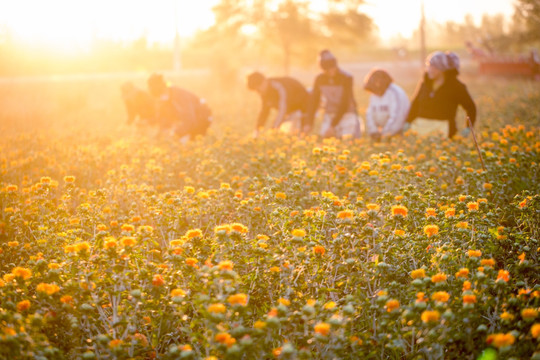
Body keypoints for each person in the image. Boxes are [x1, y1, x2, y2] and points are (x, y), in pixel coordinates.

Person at [405, 51, 476, 138]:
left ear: (442, 69)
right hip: (421, 128)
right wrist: (408, 121)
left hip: (444, 130)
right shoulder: (425, 83)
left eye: (433, 67)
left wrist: (468, 127)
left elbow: (471, 108)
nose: (429, 69)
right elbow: (415, 103)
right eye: (428, 66)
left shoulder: (457, 87)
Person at [306, 50, 361, 139]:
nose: (330, 72)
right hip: (330, 114)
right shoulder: (319, 79)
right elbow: (314, 101)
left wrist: (332, 126)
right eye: (326, 70)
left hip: (347, 114)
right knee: (326, 140)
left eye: (332, 67)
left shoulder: (346, 78)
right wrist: (309, 123)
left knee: (347, 140)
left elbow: (345, 103)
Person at [147, 73, 212, 141]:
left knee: (191, 143)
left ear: (162, 87)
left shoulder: (179, 96)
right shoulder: (163, 99)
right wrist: (160, 134)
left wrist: (175, 134)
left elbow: (190, 121)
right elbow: (164, 119)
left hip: (202, 119)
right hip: (191, 120)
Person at [246, 71, 310, 137]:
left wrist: (274, 129)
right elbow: (264, 112)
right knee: (284, 134)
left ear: (263, 81)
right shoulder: (264, 93)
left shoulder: (278, 86)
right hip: (290, 113)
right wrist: (257, 130)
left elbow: (283, 109)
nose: (258, 92)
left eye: (258, 89)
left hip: (302, 109)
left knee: (295, 136)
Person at [363, 69, 410, 142]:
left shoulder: (395, 93)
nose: (374, 93)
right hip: (383, 134)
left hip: (398, 133)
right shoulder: (374, 94)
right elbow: (370, 114)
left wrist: (385, 134)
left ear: (379, 84)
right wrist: (373, 131)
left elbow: (397, 117)